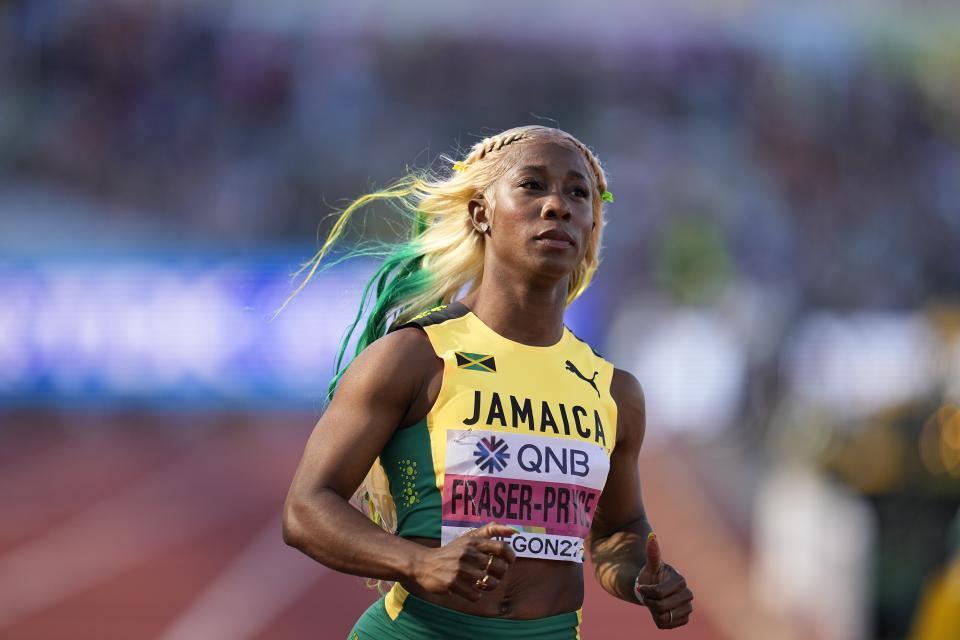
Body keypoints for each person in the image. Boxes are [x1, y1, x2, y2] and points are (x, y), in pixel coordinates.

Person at [282, 125, 694, 639]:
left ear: (591, 225)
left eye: (577, 193)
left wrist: (641, 579)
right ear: (481, 213)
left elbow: (617, 532)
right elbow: (305, 508)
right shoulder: (415, 357)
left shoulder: (614, 392)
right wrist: (416, 563)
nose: (558, 206)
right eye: (532, 185)